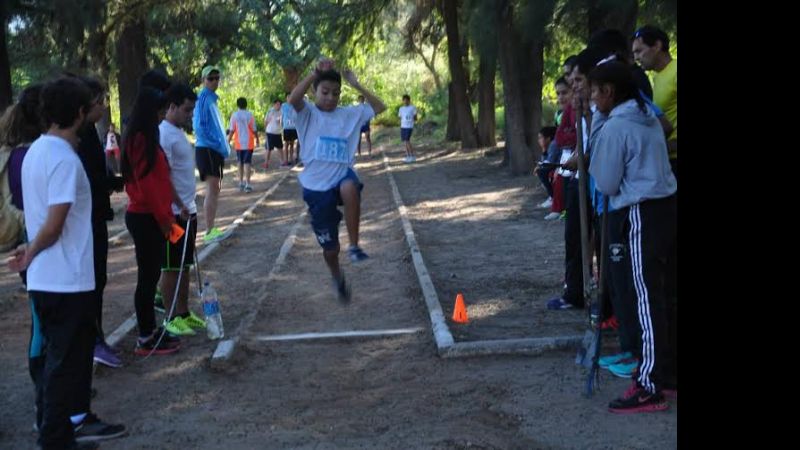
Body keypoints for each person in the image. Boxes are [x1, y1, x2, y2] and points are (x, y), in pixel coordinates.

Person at [9, 77, 125, 450]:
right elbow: (55, 224)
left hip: (51, 278)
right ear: (79, 113)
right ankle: (55, 437)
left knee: (64, 361)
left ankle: (60, 431)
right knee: (64, 364)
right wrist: (33, 250)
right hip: (65, 278)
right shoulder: (61, 158)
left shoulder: (36, 152)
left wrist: (33, 253)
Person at [587, 61, 677, 413]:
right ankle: (667, 373)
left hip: (640, 211)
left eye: (595, 92)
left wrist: (596, 128)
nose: (592, 100)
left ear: (609, 92)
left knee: (646, 297)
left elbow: (606, 184)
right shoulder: (649, 118)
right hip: (666, 205)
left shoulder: (616, 127)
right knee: (666, 293)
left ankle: (650, 383)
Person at [288, 57, 386, 302]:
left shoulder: (349, 115)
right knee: (330, 250)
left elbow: (380, 106)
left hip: (341, 175)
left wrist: (357, 85)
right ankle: (337, 275)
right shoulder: (308, 113)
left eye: (336, 93)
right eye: (325, 92)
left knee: (350, 185)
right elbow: (293, 99)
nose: (331, 98)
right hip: (315, 187)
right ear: (315, 91)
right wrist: (314, 72)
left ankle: (355, 246)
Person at [122, 86, 181, 356]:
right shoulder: (139, 140)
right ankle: (145, 337)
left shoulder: (146, 136)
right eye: (159, 111)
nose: (162, 116)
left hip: (154, 215)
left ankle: (150, 329)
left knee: (152, 274)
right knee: (147, 279)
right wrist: (166, 220)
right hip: (147, 217)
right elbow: (149, 185)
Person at [159, 83, 207, 336]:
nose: (189, 115)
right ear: (172, 106)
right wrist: (178, 205)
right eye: (186, 110)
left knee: (185, 264)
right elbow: (164, 176)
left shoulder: (178, 132)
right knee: (171, 266)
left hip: (188, 211)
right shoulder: (163, 134)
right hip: (173, 214)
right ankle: (169, 317)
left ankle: (184, 312)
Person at [632, 25, 677, 179]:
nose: (636, 58)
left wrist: (670, 146)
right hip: (665, 161)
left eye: (639, 51)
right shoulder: (657, 77)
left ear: (657, 46)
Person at [193, 65, 231, 242]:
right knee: (212, 187)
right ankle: (208, 231)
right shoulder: (202, 99)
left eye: (217, 77)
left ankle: (211, 228)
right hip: (207, 149)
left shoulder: (212, 100)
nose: (215, 81)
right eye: (211, 78)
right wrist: (217, 144)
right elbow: (200, 127)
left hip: (213, 150)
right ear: (203, 80)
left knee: (215, 188)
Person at [227, 97, 259, 192]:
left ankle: (241, 183)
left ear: (238, 105)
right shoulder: (250, 115)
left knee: (240, 162)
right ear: (246, 104)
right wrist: (257, 139)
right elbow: (254, 129)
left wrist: (228, 141)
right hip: (248, 142)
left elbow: (232, 130)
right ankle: (248, 184)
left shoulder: (234, 115)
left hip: (238, 143)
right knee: (247, 162)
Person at [264, 99, 285, 168]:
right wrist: (265, 131)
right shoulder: (270, 111)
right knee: (269, 149)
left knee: (280, 148)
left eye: (279, 105)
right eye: (277, 104)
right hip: (270, 132)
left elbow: (281, 122)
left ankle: (282, 162)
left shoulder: (281, 111)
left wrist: (280, 124)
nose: (278, 106)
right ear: (274, 104)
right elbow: (266, 121)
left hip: (278, 132)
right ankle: (266, 163)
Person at [281, 93, 299, 165]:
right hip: (286, 127)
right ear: (286, 98)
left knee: (292, 144)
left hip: (294, 127)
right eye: (288, 97)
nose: (289, 98)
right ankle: (285, 160)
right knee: (286, 144)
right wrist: (281, 124)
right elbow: (281, 115)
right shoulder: (283, 106)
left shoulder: (295, 105)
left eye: (291, 97)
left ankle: (291, 159)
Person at [398, 94, 417, 163]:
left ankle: (412, 156)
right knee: (405, 142)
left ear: (409, 101)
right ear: (403, 101)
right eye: (404, 100)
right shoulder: (401, 109)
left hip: (409, 126)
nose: (405, 101)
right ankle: (408, 156)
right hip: (403, 126)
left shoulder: (413, 108)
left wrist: (411, 121)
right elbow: (400, 117)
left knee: (407, 140)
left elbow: (415, 117)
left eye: (407, 100)